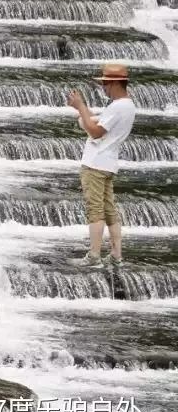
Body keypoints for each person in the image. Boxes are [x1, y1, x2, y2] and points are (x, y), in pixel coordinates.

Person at [67, 63, 136, 268]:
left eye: (105, 83)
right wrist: (84, 113)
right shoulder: (128, 105)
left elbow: (95, 132)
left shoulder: (118, 106)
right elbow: (94, 125)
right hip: (108, 163)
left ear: (115, 83)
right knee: (109, 210)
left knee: (95, 209)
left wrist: (80, 107)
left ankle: (94, 256)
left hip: (95, 164)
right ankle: (116, 255)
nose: (103, 87)